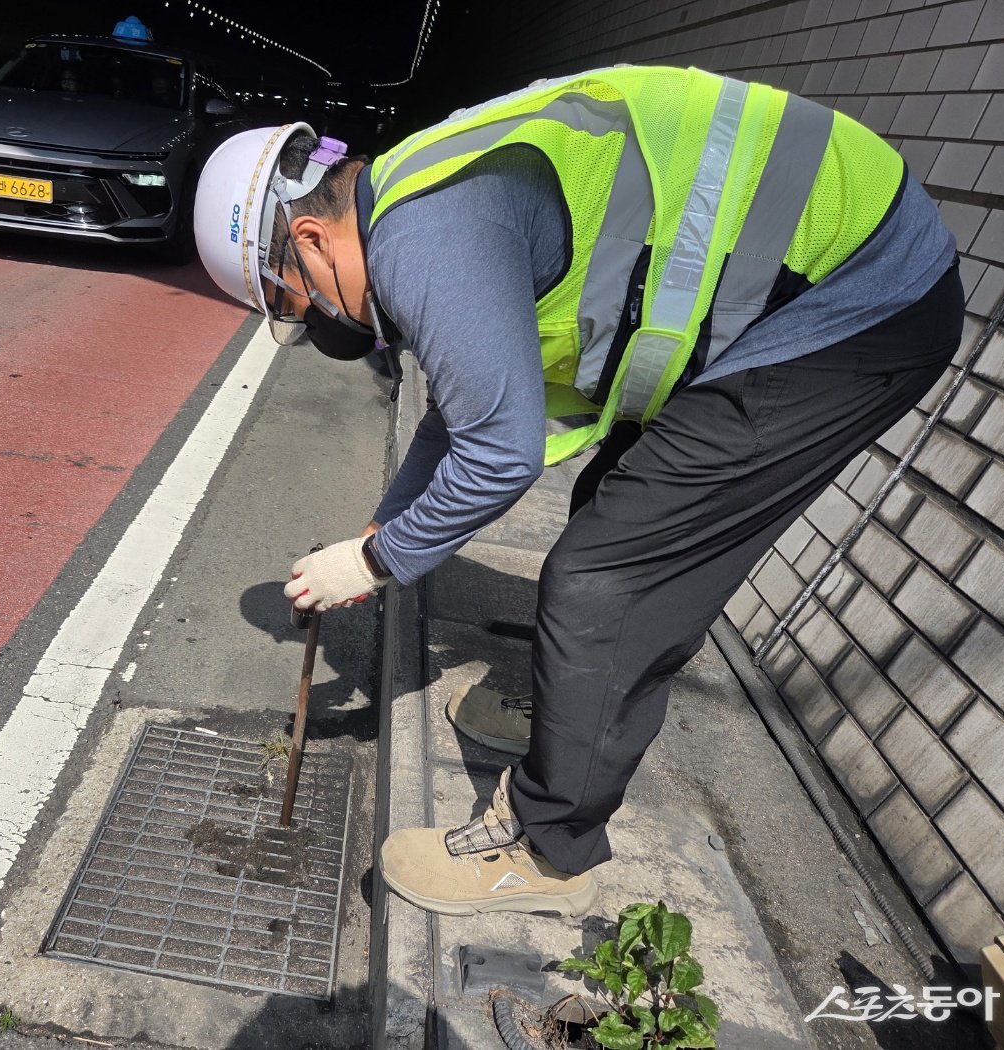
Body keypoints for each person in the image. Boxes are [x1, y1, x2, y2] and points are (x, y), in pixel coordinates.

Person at [192, 66, 962, 918]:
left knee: (607, 577)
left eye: (296, 302)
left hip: (858, 299)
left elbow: (498, 456)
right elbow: (456, 415)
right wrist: (385, 528)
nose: (317, 323)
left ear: (309, 237)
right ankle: (569, 720)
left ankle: (547, 849)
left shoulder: (423, 241)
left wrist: (375, 563)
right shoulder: (414, 191)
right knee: (611, 500)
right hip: (804, 279)